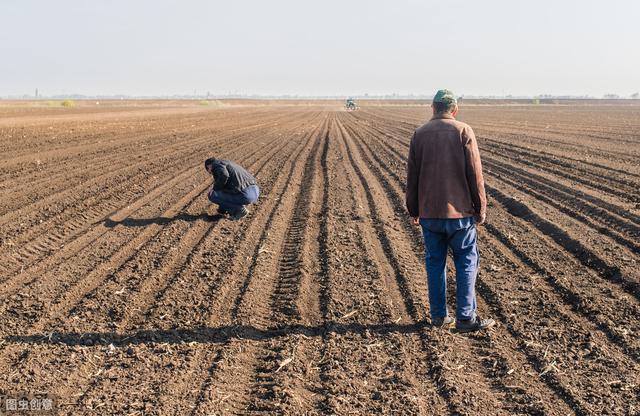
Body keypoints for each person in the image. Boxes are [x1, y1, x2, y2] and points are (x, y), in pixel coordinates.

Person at [406, 89, 495, 332]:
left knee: (435, 263)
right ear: (454, 110)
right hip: (460, 214)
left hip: (430, 214)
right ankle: (466, 318)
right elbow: (475, 174)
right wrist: (481, 207)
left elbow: (412, 176)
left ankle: (438, 317)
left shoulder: (420, 134)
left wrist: (413, 209)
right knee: (467, 261)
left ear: (432, 108)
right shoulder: (463, 131)